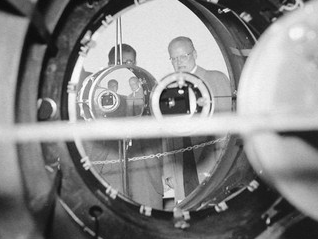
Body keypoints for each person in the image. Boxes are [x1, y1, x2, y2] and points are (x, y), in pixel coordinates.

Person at [83, 44, 164, 209]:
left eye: (130, 61)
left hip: (146, 178)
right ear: (108, 64)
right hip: (108, 176)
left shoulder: (149, 89)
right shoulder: (93, 96)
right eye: (119, 62)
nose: (125, 66)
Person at [163, 36, 232, 206]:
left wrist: (225, 164)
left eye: (183, 56)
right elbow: (165, 134)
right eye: (174, 58)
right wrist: (168, 170)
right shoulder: (168, 88)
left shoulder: (216, 79)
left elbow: (227, 126)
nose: (179, 62)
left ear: (194, 54)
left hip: (213, 160)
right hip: (182, 164)